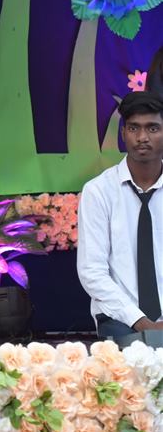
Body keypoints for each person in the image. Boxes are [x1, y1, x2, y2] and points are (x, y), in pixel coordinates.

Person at [76, 91, 163, 340]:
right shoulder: (98, 191)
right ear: (123, 133)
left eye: (153, 128)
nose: (142, 137)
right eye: (134, 128)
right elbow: (92, 271)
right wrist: (142, 322)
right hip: (121, 318)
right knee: (130, 358)